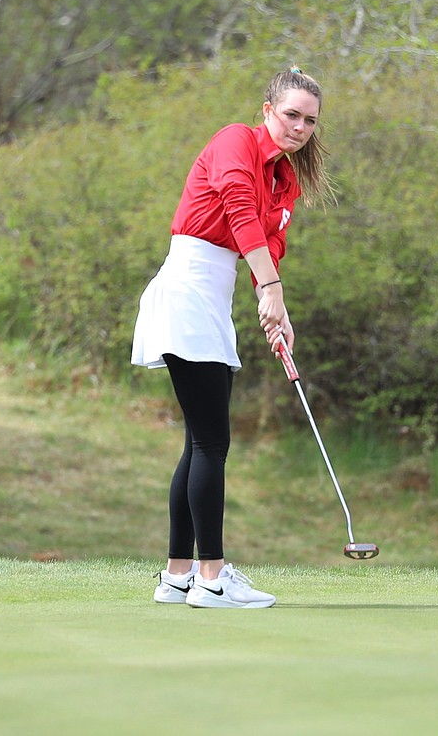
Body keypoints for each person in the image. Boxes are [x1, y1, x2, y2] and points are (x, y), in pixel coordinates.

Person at [131, 67, 333, 609]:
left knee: (198, 442)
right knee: (212, 443)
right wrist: (271, 286)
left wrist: (275, 311)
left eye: (309, 120)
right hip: (187, 288)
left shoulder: (285, 180)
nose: (299, 126)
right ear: (267, 108)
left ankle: (177, 576)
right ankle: (213, 579)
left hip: (211, 299)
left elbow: (266, 243)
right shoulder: (233, 141)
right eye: (291, 114)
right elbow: (240, 216)